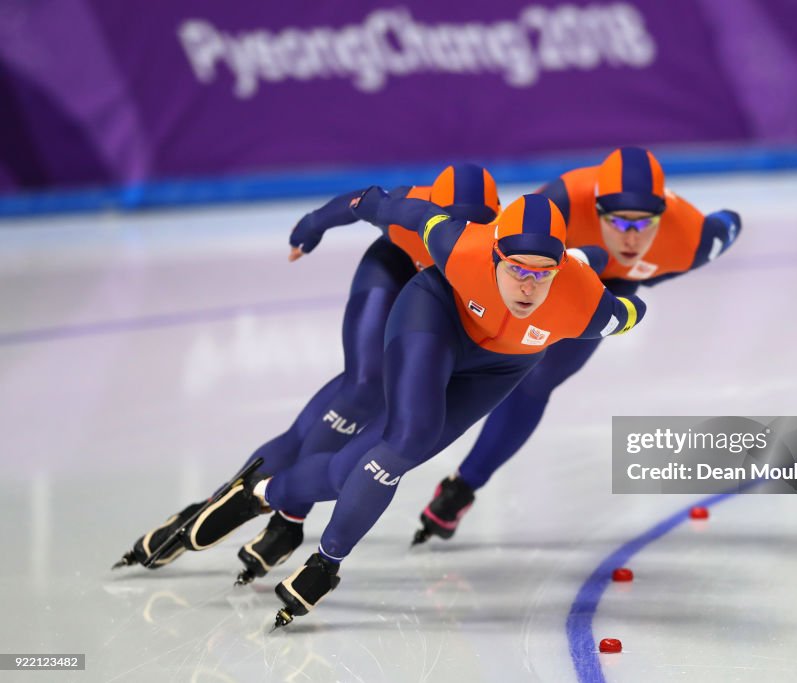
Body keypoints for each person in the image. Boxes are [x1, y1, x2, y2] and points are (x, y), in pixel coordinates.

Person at [179, 191, 648, 624]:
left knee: (353, 470)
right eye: (516, 270)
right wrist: (314, 222)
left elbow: (632, 312)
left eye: (541, 274)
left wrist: (614, 280)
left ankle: (262, 499)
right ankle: (318, 551)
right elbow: (376, 203)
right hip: (434, 318)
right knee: (409, 438)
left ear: (560, 268)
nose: (527, 287)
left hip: (499, 368)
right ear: (493, 256)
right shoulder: (459, 244)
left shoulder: (586, 306)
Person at [114, 164, 502, 577]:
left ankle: (279, 516)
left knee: (389, 413)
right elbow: (360, 202)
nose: (453, 243)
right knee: (364, 386)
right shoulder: (409, 209)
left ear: (496, 222)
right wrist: (312, 225)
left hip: (442, 305)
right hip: (396, 268)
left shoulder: (504, 244)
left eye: (473, 230)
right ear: (433, 215)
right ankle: (269, 515)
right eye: (448, 228)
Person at [412, 147, 742, 544]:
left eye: (644, 223)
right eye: (618, 221)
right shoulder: (562, 202)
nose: (631, 236)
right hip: (555, 272)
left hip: (615, 284)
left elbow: (730, 222)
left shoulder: (694, 239)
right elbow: (493, 248)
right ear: (596, 207)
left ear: (663, 217)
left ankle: (463, 486)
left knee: (540, 377)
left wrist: (643, 280)